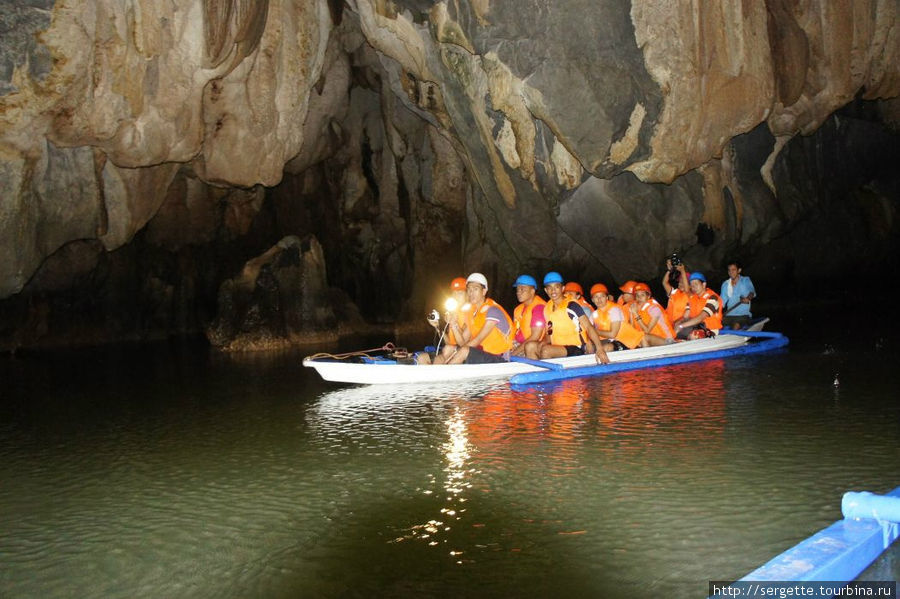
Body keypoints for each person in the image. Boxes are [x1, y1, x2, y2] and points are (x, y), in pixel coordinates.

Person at [526, 272, 609, 363]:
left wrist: (599, 348)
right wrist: (543, 342)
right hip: (558, 347)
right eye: (549, 287)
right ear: (546, 290)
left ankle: (552, 375)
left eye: (556, 287)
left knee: (546, 351)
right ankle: (537, 374)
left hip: (576, 347)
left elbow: (589, 327)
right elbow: (550, 332)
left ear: (562, 288)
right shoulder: (547, 309)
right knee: (530, 346)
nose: (553, 291)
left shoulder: (571, 306)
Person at [434, 272, 514, 364]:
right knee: (448, 349)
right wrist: (453, 323)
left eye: (475, 289)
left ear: (484, 291)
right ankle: (435, 373)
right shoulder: (473, 314)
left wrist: (456, 353)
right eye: (469, 290)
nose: (471, 293)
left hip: (499, 357)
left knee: (464, 351)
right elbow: (462, 342)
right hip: (481, 354)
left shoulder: (493, 311)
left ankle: (445, 375)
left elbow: (477, 340)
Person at [589, 283, 644, 351]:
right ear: (592, 300)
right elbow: (588, 331)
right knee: (589, 348)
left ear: (607, 298)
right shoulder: (593, 315)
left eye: (602, 296)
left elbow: (612, 334)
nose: (599, 299)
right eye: (596, 297)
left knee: (607, 348)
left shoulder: (614, 310)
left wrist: (594, 331)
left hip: (622, 340)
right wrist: (589, 342)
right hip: (604, 341)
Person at [675, 272, 723, 340]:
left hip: (710, 330)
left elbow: (700, 317)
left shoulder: (713, 298)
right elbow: (685, 316)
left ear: (704, 284)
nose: (693, 287)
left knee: (694, 335)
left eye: (696, 284)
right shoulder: (692, 298)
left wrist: (681, 326)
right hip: (695, 326)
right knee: (674, 329)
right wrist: (678, 323)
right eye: (691, 285)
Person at [511, 274, 546, 357]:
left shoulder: (538, 308)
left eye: (522, 289)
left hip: (532, 347)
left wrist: (513, 354)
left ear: (532, 291)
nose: (519, 292)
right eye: (518, 289)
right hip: (517, 344)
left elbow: (535, 336)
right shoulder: (518, 309)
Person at [720, 261, 756, 329]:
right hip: (729, 315)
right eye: (729, 270)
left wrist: (748, 298)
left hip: (743, 315)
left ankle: (734, 335)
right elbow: (721, 302)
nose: (731, 272)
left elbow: (752, 292)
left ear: (739, 270)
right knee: (716, 324)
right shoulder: (725, 284)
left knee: (736, 325)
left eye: (733, 270)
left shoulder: (745, 280)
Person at [661, 261, 691, 327]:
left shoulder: (691, 295)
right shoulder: (674, 292)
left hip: (681, 324)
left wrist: (682, 271)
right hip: (668, 324)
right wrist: (669, 270)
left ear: (690, 285)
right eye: (680, 282)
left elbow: (686, 289)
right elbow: (664, 282)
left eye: (684, 282)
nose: (681, 284)